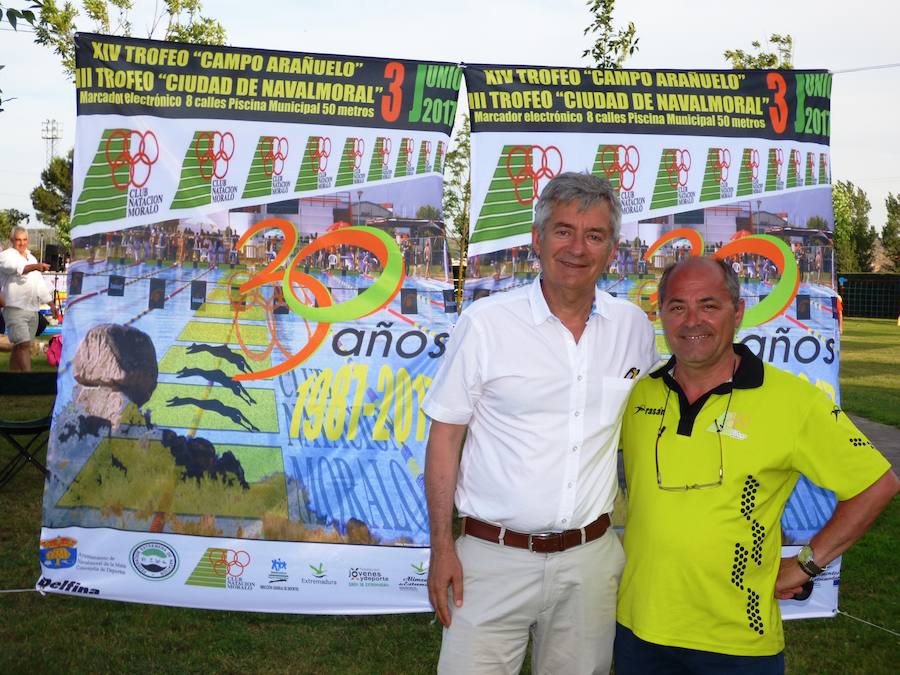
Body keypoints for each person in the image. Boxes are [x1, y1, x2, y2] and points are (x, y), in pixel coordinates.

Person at [422, 172, 658, 674]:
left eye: (594, 235)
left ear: (612, 249)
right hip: (490, 559)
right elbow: (445, 437)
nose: (577, 247)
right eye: (563, 230)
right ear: (537, 238)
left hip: (590, 562)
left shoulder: (634, 329)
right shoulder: (486, 324)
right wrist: (442, 546)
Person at [615, 257, 898, 674]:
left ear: (739, 311)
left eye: (709, 305)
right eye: (677, 307)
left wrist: (806, 564)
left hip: (738, 642)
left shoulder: (792, 401)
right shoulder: (638, 394)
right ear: (662, 316)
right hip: (640, 630)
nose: (692, 321)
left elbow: (876, 484)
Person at [0, 227, 53, 371]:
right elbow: (16, 268)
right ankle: (29, 379)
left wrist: (51, 304)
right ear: (12, 241)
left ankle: (12, 381)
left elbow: (39, 285)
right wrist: (36, 266)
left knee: (20, 346)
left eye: (24, 239)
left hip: (32, 308)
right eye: (18, 239)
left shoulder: (32, 257)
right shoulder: (5, 256)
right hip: (14, 308)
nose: (21, 243)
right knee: (23, 345)